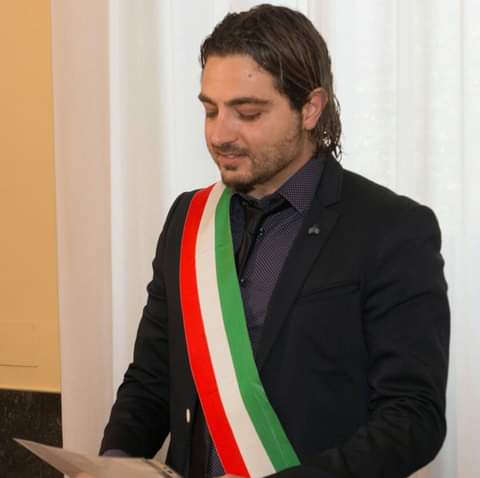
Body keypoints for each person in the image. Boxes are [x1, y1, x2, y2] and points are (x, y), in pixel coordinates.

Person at [98, 4, 450, 478]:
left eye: (247, 112)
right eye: (210, 110)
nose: (219, 133)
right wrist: (112, 463)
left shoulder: (392, 228)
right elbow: (152, 378)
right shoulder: (188, 219)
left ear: (310, 108)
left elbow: (413, 418)